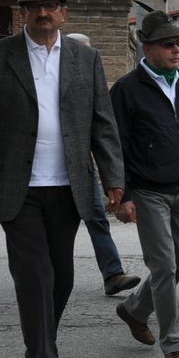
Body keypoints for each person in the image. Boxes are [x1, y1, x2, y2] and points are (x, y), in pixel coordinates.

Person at [0, 0, 125, 358]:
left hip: (68, 184)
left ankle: (47, 353)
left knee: (63, 276)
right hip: (18, 185)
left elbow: (102, 123)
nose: (43, 12)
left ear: (63, 11)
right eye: (35, 5)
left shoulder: (83, 58)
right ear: (23, 12)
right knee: (34, 275)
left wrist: (113, 178)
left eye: (51, 4)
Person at [108, 12, 179, 358]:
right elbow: (116, 145)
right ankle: (173, 345)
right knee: (164, 267)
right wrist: (122, 194)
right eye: (168, 44)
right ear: (147, 46)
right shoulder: (127, 88)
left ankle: (135, 308)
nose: (177, 49)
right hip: (148, 190)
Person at [64, 33, 142, 298]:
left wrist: (113, 181)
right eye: (80, 51)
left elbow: (103, 134)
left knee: (97, 219)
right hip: (50, 174)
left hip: (82, 170)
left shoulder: (92, 87)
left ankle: (113, 274)